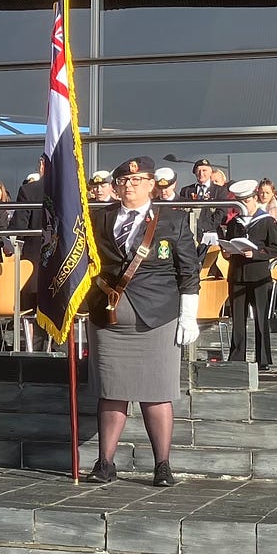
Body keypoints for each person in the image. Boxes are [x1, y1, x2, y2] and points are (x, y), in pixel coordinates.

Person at [84, 157, 199, 487]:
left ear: (152, 185)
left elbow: (188, 271)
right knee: (112, 392)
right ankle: (105, 463)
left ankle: (162, 465)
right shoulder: (98, 218)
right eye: (123, 181)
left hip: (157, 318)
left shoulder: (171, 220)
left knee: (156, 393)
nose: (129, 185)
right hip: (109, 318)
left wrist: (188, 315)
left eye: (137, 181)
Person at [219, 179, 277, 369]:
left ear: (254, 198)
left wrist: (255, 254)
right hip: (237, 274)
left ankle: (263, 359)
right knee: (238, 317)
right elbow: (229, 243)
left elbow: (276, 248)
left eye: (246, 201)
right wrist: (227, 252)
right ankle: (237, 357)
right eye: (239, 203)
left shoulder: (267, 220)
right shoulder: (235, 222)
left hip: (258, 274)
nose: (243, 206)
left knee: (261, 316)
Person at [178, 159, 230, 240]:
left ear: (210, 172)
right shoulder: (186, 191)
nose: (201, 173)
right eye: (198, 171)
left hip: (212, 233)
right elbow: (182, 212)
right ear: (195, 173)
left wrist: (203, 227)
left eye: (204, 170)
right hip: (189, 235)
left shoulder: (220, 190)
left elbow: (222, 212)